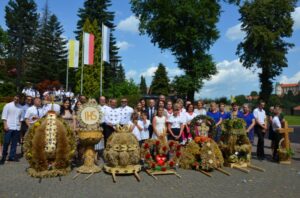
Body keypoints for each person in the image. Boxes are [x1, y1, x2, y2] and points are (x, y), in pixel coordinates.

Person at [0, 95, 23, 164]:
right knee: (6, 142)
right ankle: (4, 156)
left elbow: (21, 119)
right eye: (15, 99)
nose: (16, 100)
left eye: (18, 99)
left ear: (19, 99)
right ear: (14, 98)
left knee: (14, 143)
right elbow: (4, 116)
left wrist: (20, 126)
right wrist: (5, 125)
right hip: (9, 127)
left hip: (16, 128)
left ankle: (11, 157)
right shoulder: (8, 105)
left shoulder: (20, 107)